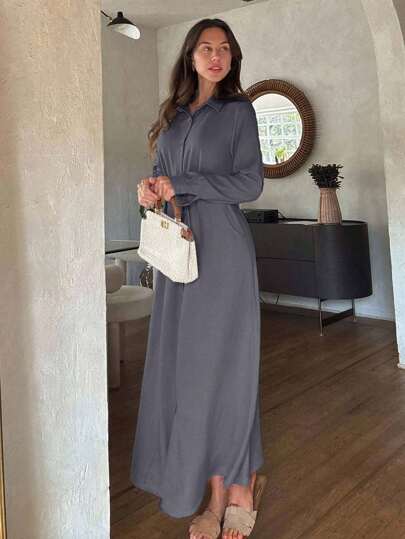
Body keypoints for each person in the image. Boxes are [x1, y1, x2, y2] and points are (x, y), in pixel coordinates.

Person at [133, 17, 267, 539]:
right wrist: (150, 191)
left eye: (224, 49)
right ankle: (225, 486)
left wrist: (181, 182)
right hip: (180, 252)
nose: (216, 56)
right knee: (190, 371)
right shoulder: (171, 117)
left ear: (232, 59)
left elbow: (250, 183)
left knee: (225, 368)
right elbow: (164, 179)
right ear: (190, 56)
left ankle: (230, 492)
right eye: (206, 48)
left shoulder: (238, 112)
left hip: (224, 251)